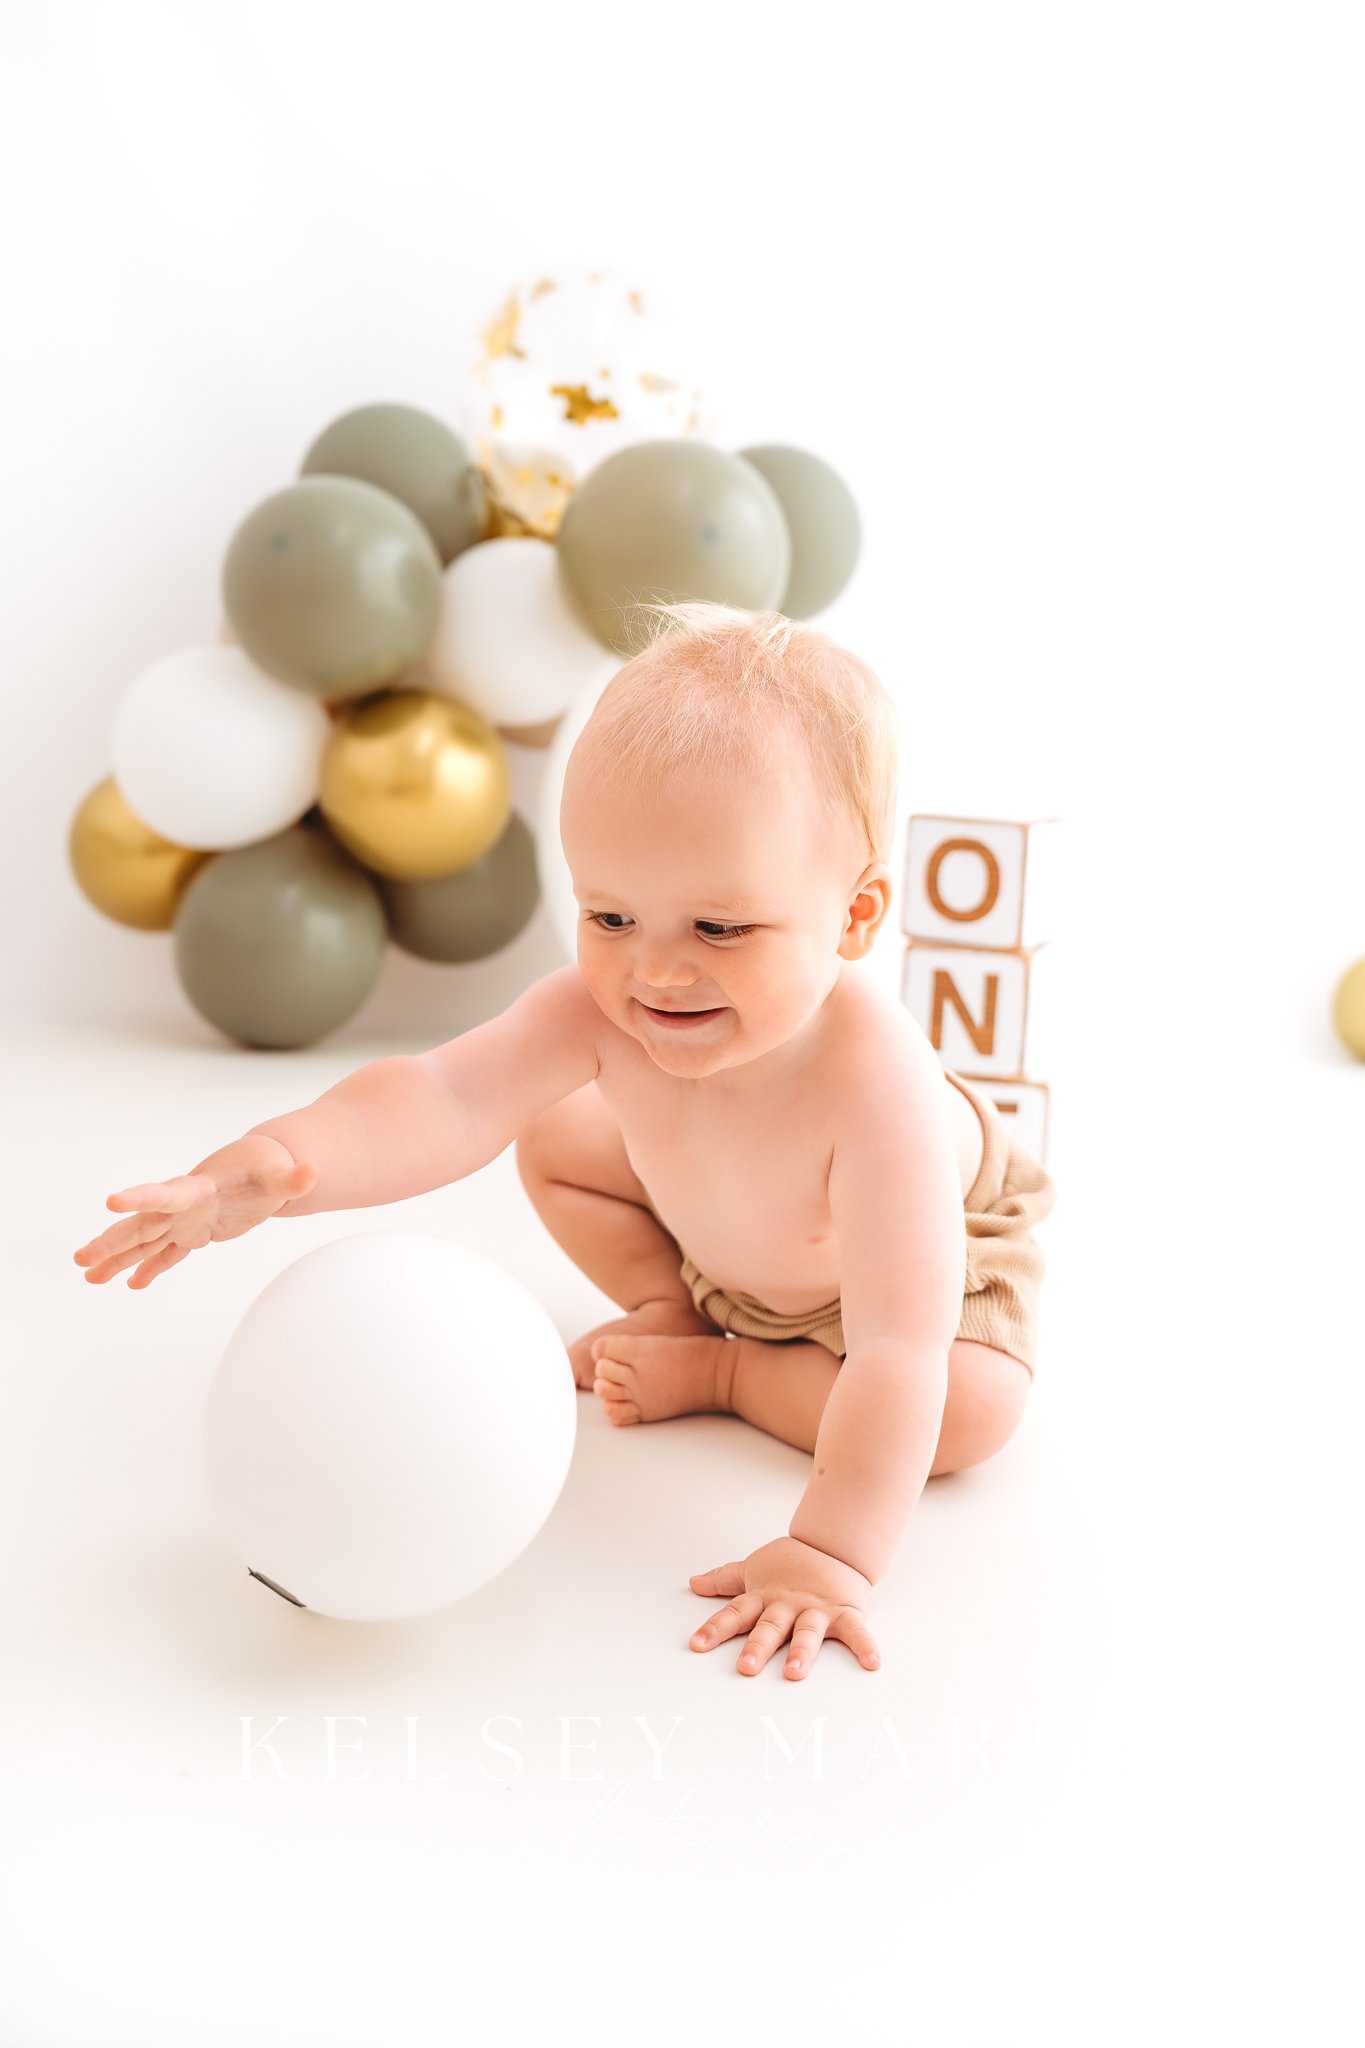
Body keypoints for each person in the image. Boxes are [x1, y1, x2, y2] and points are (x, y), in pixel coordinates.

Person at [72, 602, 1056, 1680]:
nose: (657, 970)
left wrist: (829, 1552)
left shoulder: (883, 1095)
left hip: (899, 1279)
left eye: (720, 928)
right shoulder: (610, 1008)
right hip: (714, 1234)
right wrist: (275, 1161)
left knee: (964, 1411)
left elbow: (896, 1348)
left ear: (857, 915)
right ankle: (668, 1308)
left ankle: (730, 1373)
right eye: (610, 916)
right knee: (551, 1135)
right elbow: (445, 1095)